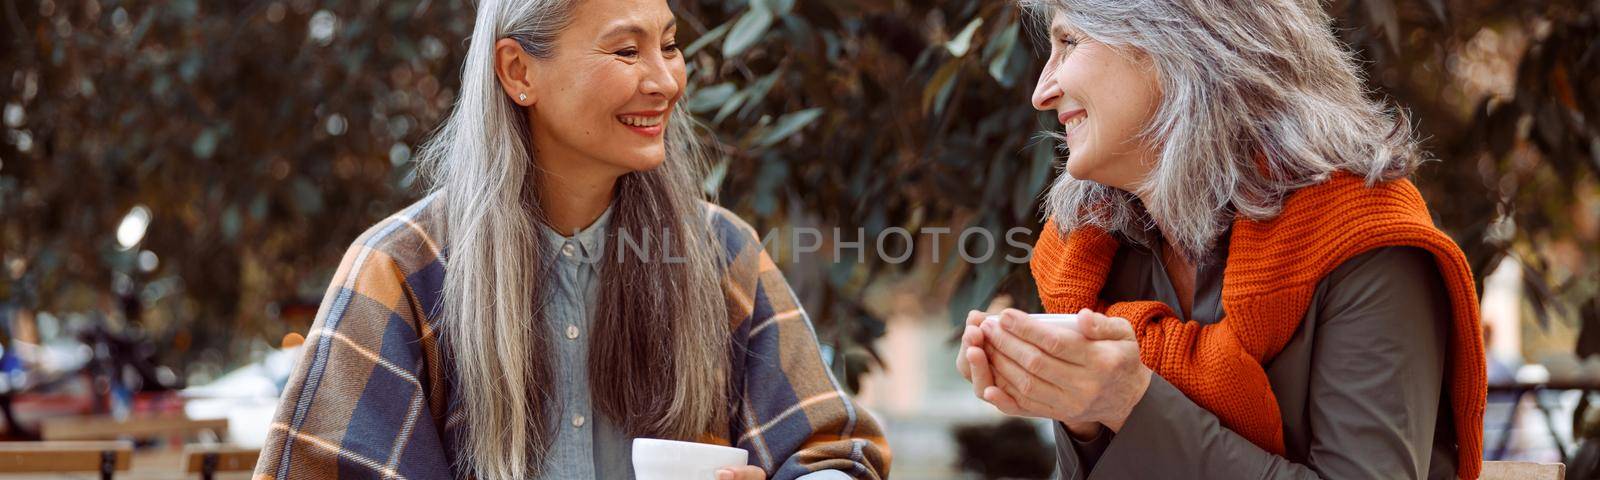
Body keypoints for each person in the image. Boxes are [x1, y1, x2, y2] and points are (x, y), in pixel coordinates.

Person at [253, 0, 888, 478]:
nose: (667, 81)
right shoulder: (400, 269)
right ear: (517, 70)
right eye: (626, 51)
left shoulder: (721, 252)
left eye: (668, 45)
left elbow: (829, 450)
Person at [957, 0, 1487, 478]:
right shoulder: (1091, 254)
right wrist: (1082, 409)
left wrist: (1128, 403)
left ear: (1179, 42)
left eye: (1069, 42)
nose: (1041, 91)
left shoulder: (1362, 239)